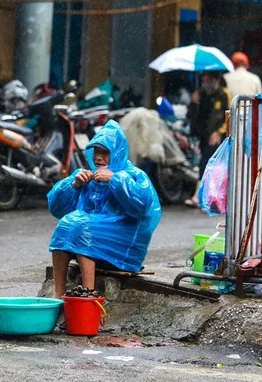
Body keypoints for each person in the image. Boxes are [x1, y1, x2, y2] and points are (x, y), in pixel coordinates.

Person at [47, 120, 162, 299]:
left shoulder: (133, 175)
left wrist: (115, 180)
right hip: (94, 239)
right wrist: (74, 184)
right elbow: (56, 207)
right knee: (66, 225)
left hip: (124, 250)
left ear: (117, 153)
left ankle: (88, 295)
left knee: (83, 227)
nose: (98, 157)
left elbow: (141, 207)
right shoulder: (89, 177)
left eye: (105, 152)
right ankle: (58, 294)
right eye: (96, 151)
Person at [184, 71, 231, 208]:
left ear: (216, 80)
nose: (206, 83)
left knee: (208, 164)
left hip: (217, 137)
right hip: (202, 135)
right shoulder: (200, 94)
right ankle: (204, 196)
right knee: (203, 164)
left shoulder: (224, 95)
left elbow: (229, 115)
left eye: (209, 80)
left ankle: (200, 196)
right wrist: (193, 103)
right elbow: (192, 115)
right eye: (204, 80)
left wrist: (219, 132)